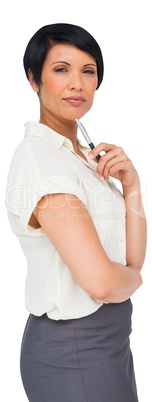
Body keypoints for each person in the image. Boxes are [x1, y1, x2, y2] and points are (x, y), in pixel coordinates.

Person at [5, 23, 147, 402]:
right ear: (33, 79)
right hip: (72, 349)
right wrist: (134, 279)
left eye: (88, 71)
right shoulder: (42, 161)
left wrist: (131, 185)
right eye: (61, 69)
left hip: (112, 340)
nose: (77, 84)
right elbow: (103, 282)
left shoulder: (81, 157)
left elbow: (131, 258)